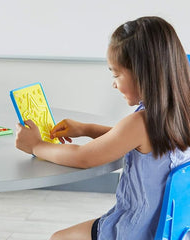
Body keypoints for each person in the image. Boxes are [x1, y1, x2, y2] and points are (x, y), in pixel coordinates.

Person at [15, 16, 190, 240]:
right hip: (170, 230)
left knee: (58, 238)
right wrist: (87, 129)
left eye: (116, 74)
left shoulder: (141, 122)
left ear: (143, 73)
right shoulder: (179, 112)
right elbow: (135, 143)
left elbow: (83, 157)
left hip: (135, 230)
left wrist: (36, 146)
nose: (114, 83)